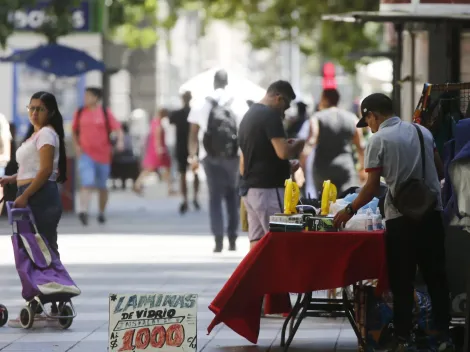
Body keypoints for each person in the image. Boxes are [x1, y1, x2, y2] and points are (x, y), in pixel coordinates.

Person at [333, 93, 453, 352]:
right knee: (436, 278)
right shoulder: (422, 132)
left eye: (369, 121)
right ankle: (444, 336)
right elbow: (440, 170)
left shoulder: (378, 140)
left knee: (402, 281)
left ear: (372, 115)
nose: (370, 127)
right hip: (431, 213)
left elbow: (372, 187)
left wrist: (349, 210)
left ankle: (403, 337)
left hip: (402, 219)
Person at [1, 91, 67, 326]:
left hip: (40, 198)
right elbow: (32, 168)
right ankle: (44, 300)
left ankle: (46, 300)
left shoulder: (47, 134)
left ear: (50, 112)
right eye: (31, 108)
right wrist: (12, 179)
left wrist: (25, 195)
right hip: (29, 194)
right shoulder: (36, 135)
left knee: (42, 249)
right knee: (32, 250)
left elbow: (45, 170)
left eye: (40, 109)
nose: (34, 113)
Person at [187, 70, 248, 252]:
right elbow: (245, 132)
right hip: (234, 157)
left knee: (214, 198)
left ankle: (218, 240)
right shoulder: (238, 102)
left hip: (210, 156)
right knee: (233, 197)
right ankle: (232, 239)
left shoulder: (201, 103)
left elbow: (193, 133)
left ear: (214, 83)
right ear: (227, 82)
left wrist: (193, 156)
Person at [239, 80, 304, 249]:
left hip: (250, 190)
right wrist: (298, 144)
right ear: (278, 98)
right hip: (269, 190)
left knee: (257, 240)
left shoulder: (249, 115)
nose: (285, 110)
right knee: (281, 241)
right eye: (286, 104)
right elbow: (283, 152)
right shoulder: (270, 116)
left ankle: (256, 275)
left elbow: (245, 160)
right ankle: (280, 276)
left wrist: (286, 167)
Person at [72, 87, 124, 226]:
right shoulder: (80, 112)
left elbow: (118, 129)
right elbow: (74, 131)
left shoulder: (105, 113)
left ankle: (101, 212)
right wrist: (77, 145)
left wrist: (120, 142)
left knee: (102, 186)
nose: (86, 99)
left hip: (103, 155)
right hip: (86, 154)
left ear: (96, 98)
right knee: (87, 182)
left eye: (88, 96)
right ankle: (83, 210)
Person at [302, 88, 366, 194]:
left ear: (325, 99)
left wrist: (301, 166)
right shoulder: (352, 118)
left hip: (322, 170)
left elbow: (311, 142)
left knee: (324, 204)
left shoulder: (317, 118)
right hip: (345, 168)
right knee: (345, 203)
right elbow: (361, 146)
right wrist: (363, 168)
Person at [170, 91, 200, 213]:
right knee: (195, 173)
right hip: (193, 147)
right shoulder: (195, 113)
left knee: (183, 174)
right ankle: (194, 198)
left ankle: (185, 199)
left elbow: (170, 121)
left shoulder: (177, 114)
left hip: (181, 147)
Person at [134, 108, 173, 195]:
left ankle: (138, 184)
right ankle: (137, 184)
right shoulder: (158, 123)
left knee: (156, 169)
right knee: (152, 169)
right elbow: (157, 136)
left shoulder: (153, 122)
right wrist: (159, 149)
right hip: (158, 150)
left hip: (153, 149)